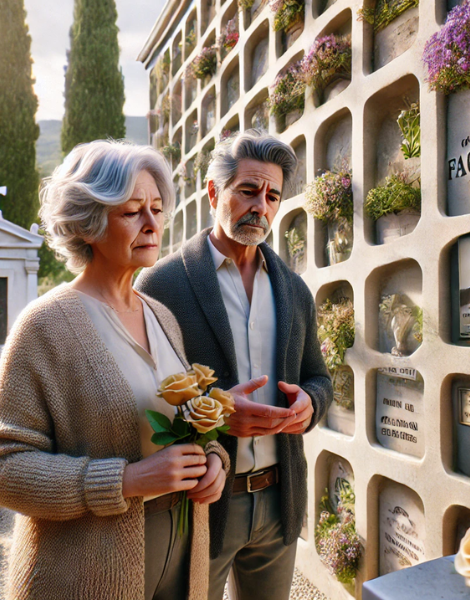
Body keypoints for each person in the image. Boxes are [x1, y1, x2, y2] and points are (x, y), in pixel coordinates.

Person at [0, 140, 234, 600]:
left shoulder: (162, 317)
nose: (153, 224)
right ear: (89, 224)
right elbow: (0, 469)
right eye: (133, 211)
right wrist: (125, 481)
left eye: (156, 208)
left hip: (182, 561)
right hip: (86, 575)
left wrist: (214, 460)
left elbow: (184, 424)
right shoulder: (45, 325)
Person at [135, 130, 333, 600]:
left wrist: (311, 404)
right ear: (213, 193)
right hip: (199, 503)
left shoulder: (293, 289)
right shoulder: (161, 285)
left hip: (278, 501)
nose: (260, 206)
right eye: (247, 190)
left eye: (272, 195)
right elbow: (138, 396)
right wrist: (220, 414)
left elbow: (319, 377)